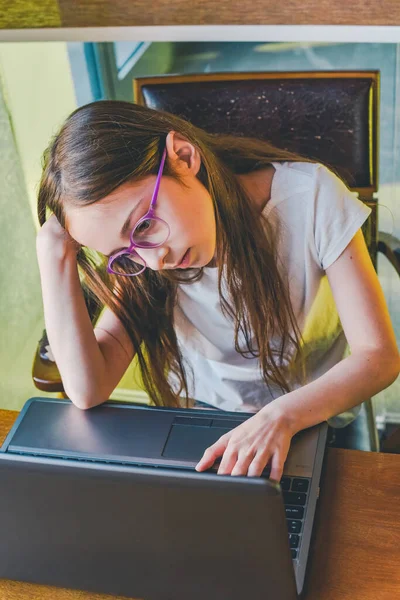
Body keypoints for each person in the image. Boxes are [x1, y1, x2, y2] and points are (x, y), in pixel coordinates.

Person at [36, 100, 399, 482]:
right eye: (124, 253)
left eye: (143, 225)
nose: (155, 261)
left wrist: (279, 417)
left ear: (183, 156)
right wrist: (53, 253)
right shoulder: (145, 263)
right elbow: (87, 389)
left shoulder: (310, 199)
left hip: (315, 412)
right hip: (207, 419)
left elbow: (379, 356)